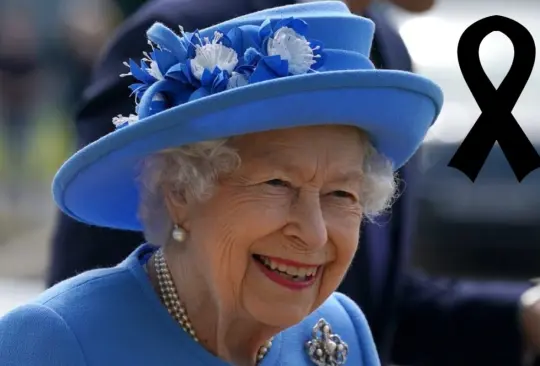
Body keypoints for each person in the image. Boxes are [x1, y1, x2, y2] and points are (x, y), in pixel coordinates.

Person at [46, 0, 540, 365]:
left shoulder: (383, 51)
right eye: (277, 183)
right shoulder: (196, 35)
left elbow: (374, 300)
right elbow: (95, 294)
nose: (316, 231)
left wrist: (523, 314)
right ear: (176, 190)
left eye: (341, 194)